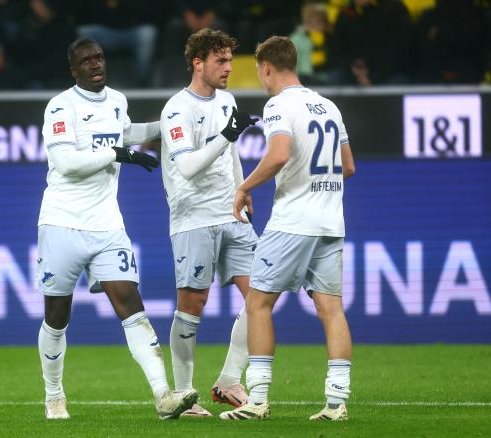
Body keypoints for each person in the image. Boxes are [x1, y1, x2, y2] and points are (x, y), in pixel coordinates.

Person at [36, 37, 198, 420]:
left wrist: (169, 123)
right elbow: (66, 162)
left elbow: (125, 134)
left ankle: (164, 395)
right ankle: (54, 395)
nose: (96, 64)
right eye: (87, 60)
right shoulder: (61, 106)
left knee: (130, 302)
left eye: (100, 58)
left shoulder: (117, 101)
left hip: (108, 224)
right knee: (57, 315)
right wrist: (115, 154)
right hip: (62, 222)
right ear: (74, 69)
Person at [220, 36, 356, 421]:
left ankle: (258, 399)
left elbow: (279, 154)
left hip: (293, 222)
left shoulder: (278, 105)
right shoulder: (328, 107)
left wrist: (245, 186)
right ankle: (336, 402)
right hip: (331, 221)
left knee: (258, 303)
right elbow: (348, 167)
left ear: (266, 67)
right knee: (331, 309)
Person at [159, 28, 259, 417]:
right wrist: (225, 134)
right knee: (192, 304)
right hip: (193, 217)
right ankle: (184, 394)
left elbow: (230, 154)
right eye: (221, 60)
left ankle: (230, 380)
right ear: (197, 62)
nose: (228, 68)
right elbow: (187, 167)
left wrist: (243, 189)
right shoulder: (176, 109)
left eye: (230, 60)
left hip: (230, 213)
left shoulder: (228, 99)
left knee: (262, 297)